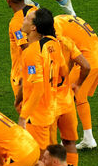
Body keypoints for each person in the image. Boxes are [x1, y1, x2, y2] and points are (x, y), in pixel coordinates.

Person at [54, 14, 98, 149]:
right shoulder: (61, 18)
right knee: (78, 96)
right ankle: (88, 138)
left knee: (63, 94)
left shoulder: (56, 29)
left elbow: (64, 52)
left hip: (90, 60)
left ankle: (66, 139)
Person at [15, 8, 63, 150]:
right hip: (51, 109)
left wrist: (23, 117)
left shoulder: (32, 52)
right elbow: (64, 71)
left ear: (33, 28)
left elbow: (38, 87)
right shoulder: (53, 44)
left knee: (38, 160)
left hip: (37, 115)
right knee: (50, 153)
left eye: (27, 19)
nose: (23, 20)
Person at [52, 32, 91, 150]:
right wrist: (78, 84)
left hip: (49, 101)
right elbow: (86, 66)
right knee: (69, 142)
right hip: (66, 100)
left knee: (48, 143)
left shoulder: (38, 48)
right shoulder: (67, 42)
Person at [5, 0, 37, 99]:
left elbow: (25, 48)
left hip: (23, 73)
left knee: (26, 112)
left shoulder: (16, 23)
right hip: (43, 67)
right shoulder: (35, 10)